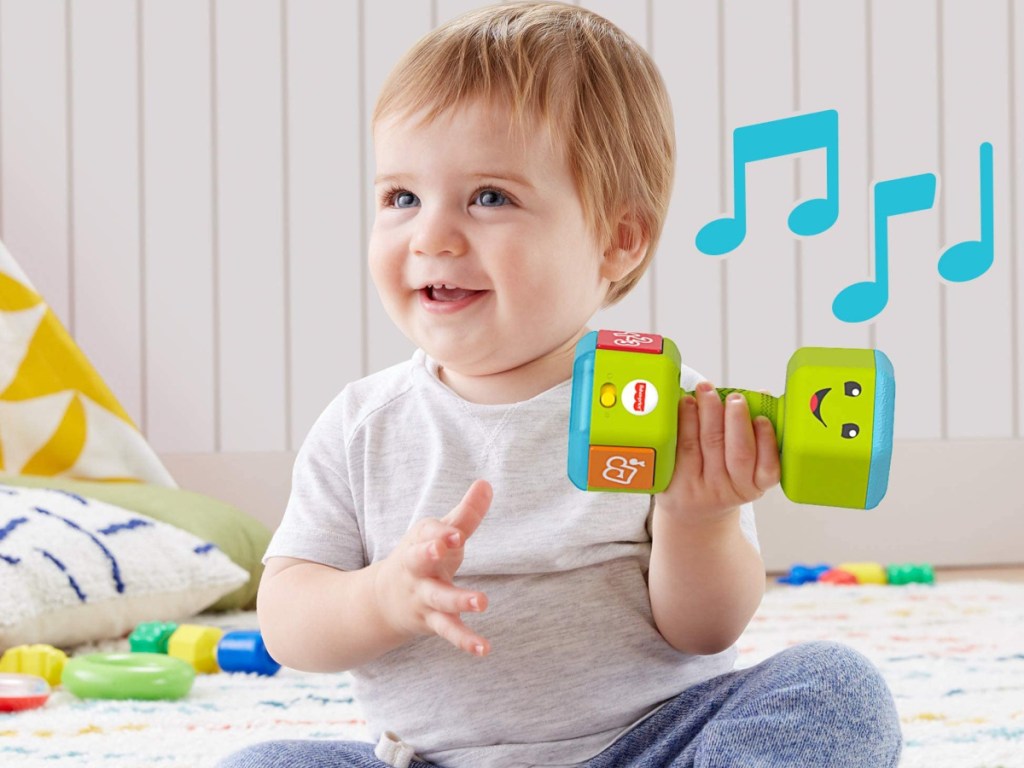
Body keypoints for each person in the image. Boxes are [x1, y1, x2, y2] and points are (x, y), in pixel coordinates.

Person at [219, 3, 902, 766]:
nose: (431, 235)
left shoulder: (671, 405)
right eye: (402, 197)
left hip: (650, 748)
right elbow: (287, 620)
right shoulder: (362, 426)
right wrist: (383, 596)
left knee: (836, 687)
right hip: (436, 760)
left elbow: (706, 633)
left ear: (617, 239)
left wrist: (698, 520)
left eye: (490, 197)